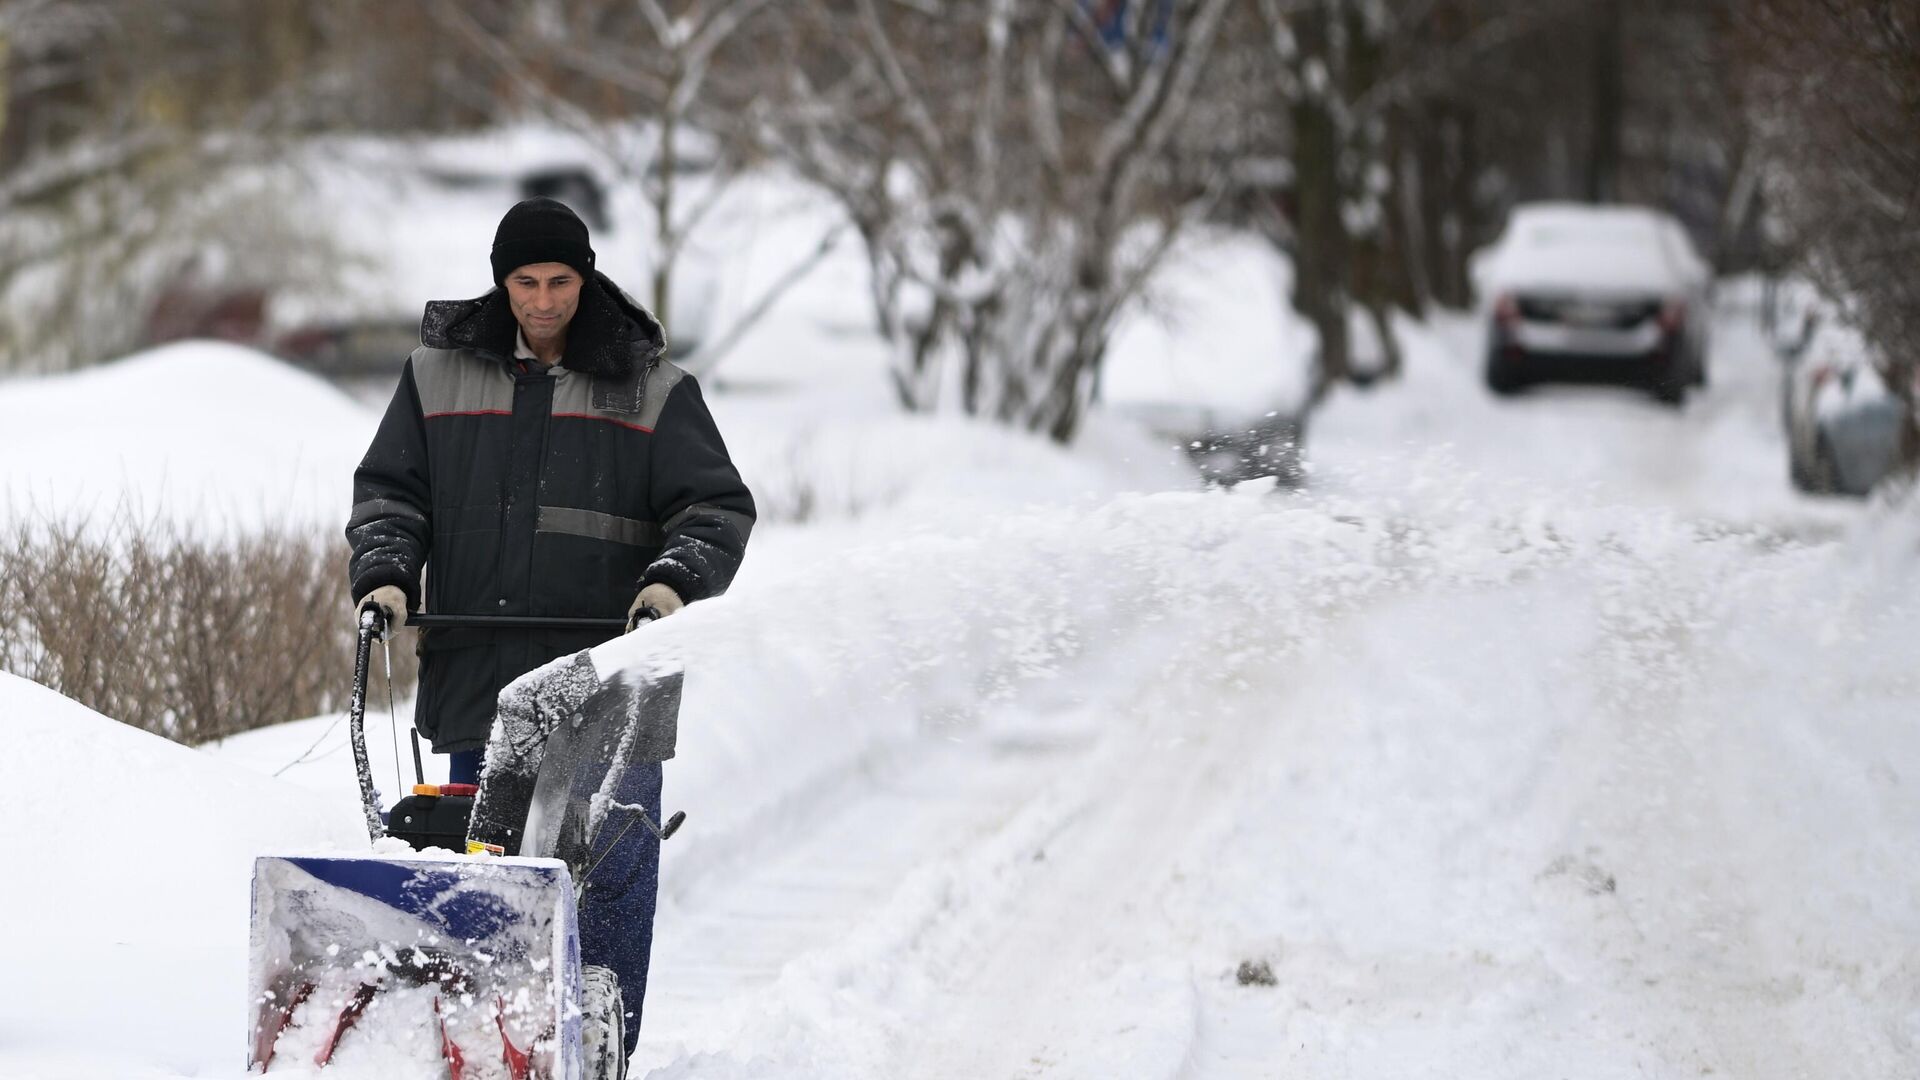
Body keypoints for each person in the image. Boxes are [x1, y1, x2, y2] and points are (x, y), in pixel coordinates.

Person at [345, 196, 754, 1060]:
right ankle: (494, 1056)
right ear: (502, 282)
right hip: (482, 679)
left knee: (604, 878)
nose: (542, 300)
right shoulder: (437, 375)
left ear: (586, 275)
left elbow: (715, 508)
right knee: (490, 880)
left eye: (559, 280)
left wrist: (671, 588)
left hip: (613, 684)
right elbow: (391, 493)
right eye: (524, 282)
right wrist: (384, 575)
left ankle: (601, 1053)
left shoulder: (650, 387)